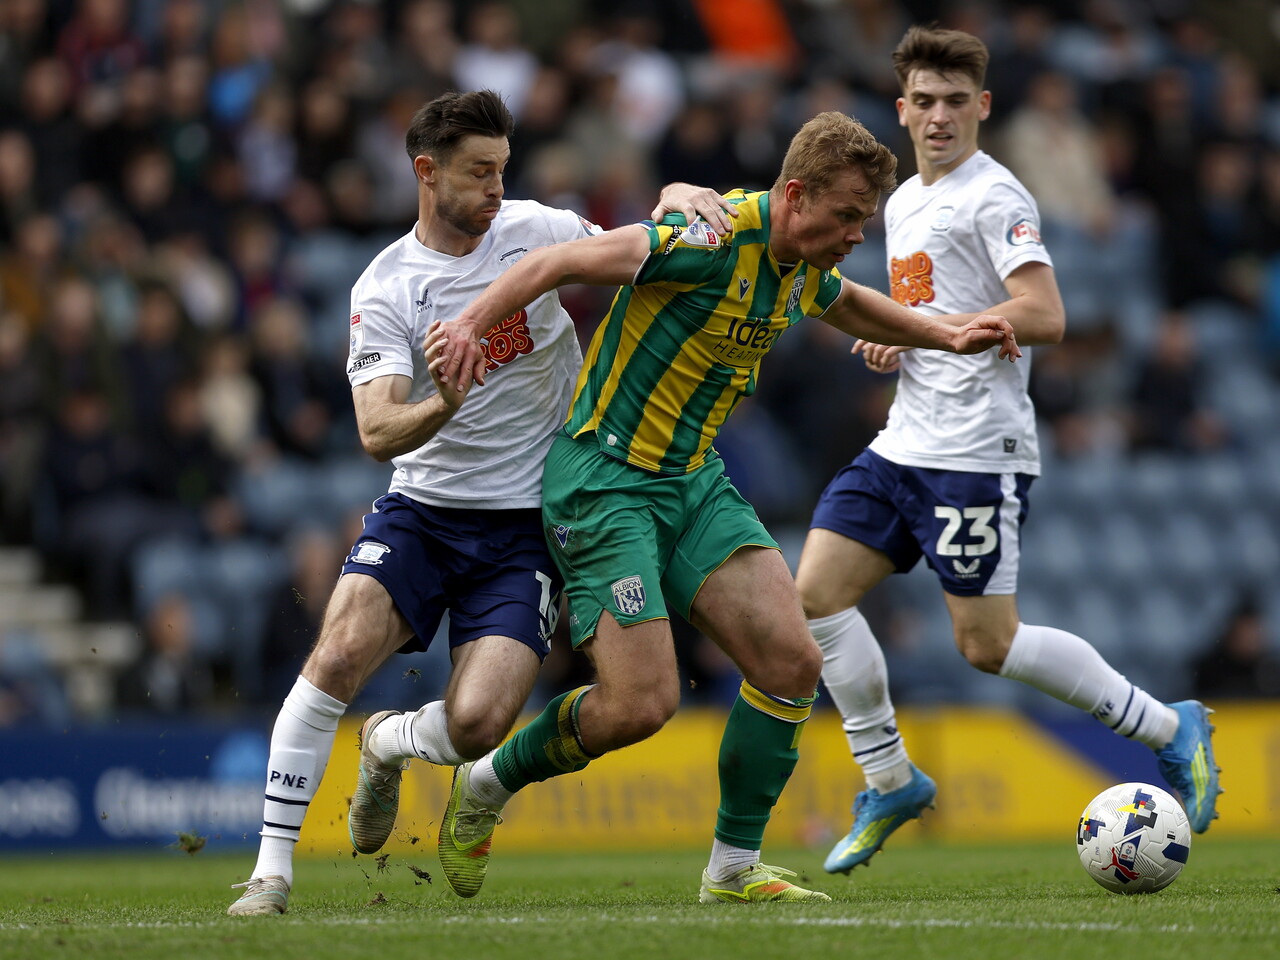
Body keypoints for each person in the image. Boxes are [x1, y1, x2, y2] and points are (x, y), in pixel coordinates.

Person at [429, 110, 1020, 904]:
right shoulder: (705, 239)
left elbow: (847, 303)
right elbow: (563, 259)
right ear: (797, 194)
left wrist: (944, 336)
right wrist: (469, 322)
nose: (854, 232)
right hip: (604, 482)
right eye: (845, 215)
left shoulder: (800, 264)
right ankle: (488, 786)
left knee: (792, 662)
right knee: (641, 706)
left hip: (691, 480)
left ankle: (732, 871)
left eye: (864, 220)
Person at [226, 89, 732, 917]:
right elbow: (378, 430)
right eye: (479, 171)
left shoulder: (540, 232)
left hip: (526, 529)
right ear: (426, 172)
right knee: (337, 653)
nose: (498, 187)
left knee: (477, 726)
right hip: (423, 510)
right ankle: (270, 874)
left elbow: (645, 244)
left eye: (504, 168)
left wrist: (673, 198)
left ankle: (388, 744)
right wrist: (443, 407)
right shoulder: (386, 285)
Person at [790, 26, 1222, 877]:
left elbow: (1045, 313)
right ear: (903, 109)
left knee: (986, 645)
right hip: (905, 439)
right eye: (925, 101)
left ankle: (1168, 727)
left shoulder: (997, 196)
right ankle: (890, 777)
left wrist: (948, 332)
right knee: (813, 595)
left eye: (957, 101)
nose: (940, 116)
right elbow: (943, 315)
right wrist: (906, 342)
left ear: (982, 107)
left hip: (975, 451)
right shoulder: (908, 198)